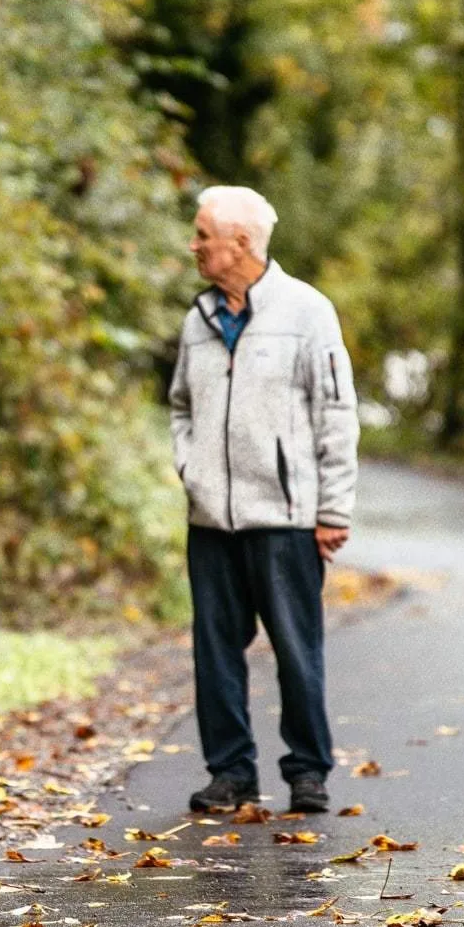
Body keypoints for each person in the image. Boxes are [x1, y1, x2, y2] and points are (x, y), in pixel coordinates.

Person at [168, 186, 359, 815]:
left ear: (240, 243)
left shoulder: (308, 312)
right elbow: (181, 407)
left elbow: (336, 414)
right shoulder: (197, 319)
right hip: (211, 519)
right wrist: (190, 467)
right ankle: (230, 773)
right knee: (215, 650)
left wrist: (333, 509)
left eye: (202, 235)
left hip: (285, 517)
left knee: (296, 648)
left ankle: (308, 772)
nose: (193, 246)